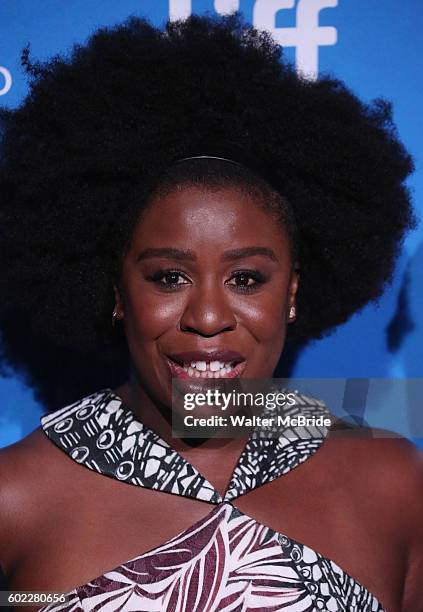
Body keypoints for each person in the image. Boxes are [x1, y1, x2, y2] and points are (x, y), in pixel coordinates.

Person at [0, 13, 422, 612]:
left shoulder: (394, 484)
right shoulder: (14, 500)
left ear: (293, 292)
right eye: (168, 277)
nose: (206, 316)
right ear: (117, 291)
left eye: (246, 278)